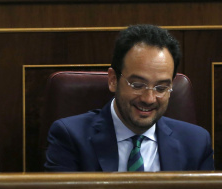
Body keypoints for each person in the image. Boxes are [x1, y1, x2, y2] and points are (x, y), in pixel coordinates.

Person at [45, 24, 214, 172]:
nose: (149, 99)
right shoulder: (70, 137)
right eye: (138, 85)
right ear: (113, 80)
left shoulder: (196, 143)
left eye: (161, 88)